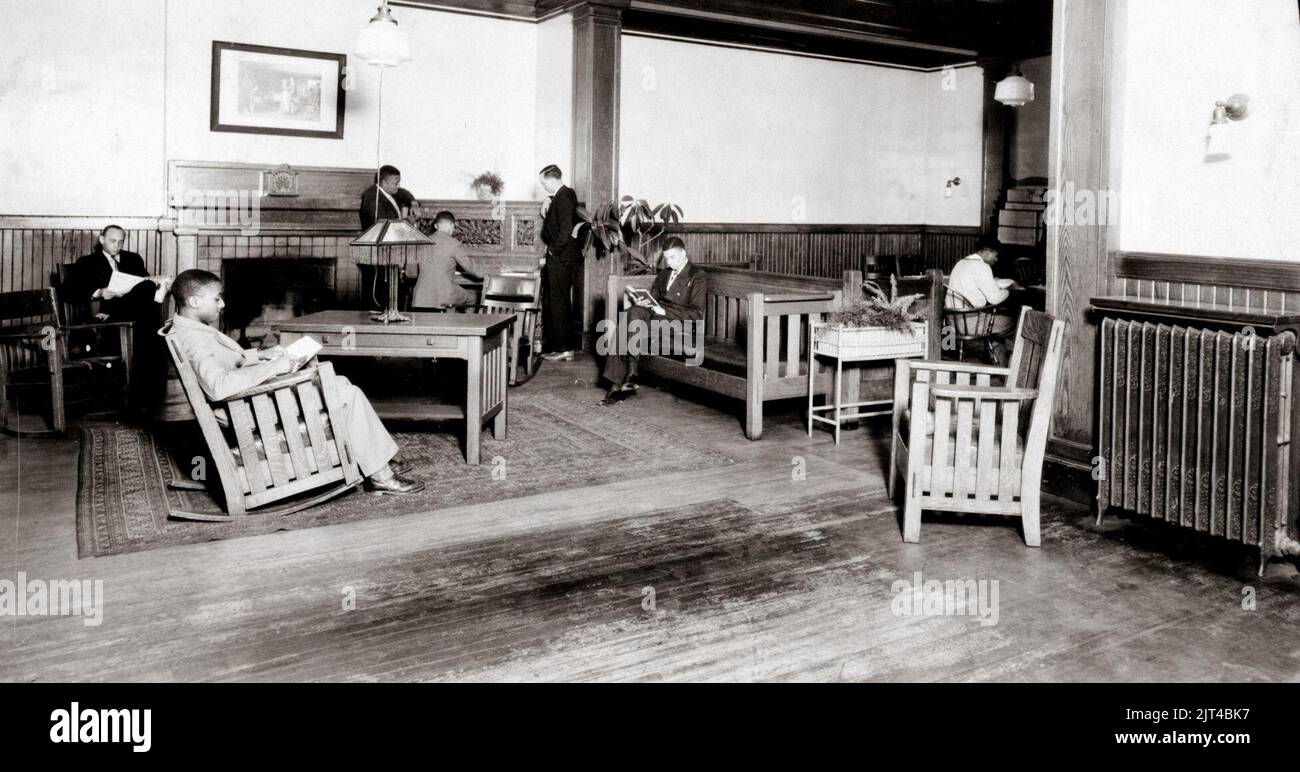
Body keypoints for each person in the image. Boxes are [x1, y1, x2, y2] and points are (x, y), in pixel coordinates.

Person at [162, 269, 424, 495]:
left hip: (246, 401)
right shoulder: (194, 339)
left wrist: (259, 355)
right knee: (347, 393)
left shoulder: (185, 327)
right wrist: (276, 367)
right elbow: (217, 386)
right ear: (195, 301)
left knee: (340, 383)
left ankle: (378, 460)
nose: (222, 305)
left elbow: (224, 361)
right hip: (244, 409)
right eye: (216, 299)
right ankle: (381, 475)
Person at [68, 224, 169, 410]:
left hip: (123, 314)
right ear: (101, 240)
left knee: (146, 289)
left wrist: (158, 284)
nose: (117, 245)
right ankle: (149, 392)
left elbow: (144, 285)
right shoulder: (87, 262)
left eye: (120, 241)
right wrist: (98, 292)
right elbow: (70, 292)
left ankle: (147, 393)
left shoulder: (133, 259)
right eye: (112, 241)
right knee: (151, 327)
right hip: (104, 316)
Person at [599, 237, 706, 405]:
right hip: (655, 319)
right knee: (632, 313)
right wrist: (643, 302)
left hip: (679, 326)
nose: (669, 262)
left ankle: (617, 383)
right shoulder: (664, 274)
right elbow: (653, 299)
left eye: (673, 257)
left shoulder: (697, 276)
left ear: (684, 253)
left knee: (628, 322)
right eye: (666, 258)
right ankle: (630, 373)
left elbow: (697, 314)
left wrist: (664, 311)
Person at [946, 235, 1017, 360]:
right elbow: (994, 299)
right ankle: (1013, 363)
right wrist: (1008, 290)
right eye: (995, 255)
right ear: (988, 252)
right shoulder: (982, 267)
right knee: (1014, 323)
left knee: (996, 326)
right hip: (970, 323)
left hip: (952, 322)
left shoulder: (961, 263)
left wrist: (993, 283)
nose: (996, 259)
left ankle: (1000, 363)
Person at [538, 164, 581, 361]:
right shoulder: (563, 195)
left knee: (559, 303)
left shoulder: (563, 196)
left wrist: (553, 251)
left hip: (561, 258)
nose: (543, 186)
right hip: (562, 257)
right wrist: (549, 200)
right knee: (555, 302)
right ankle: (559, 347)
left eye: (544, 182)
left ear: (553, 179)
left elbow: (566, 229)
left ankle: (565, 349)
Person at [407, 211, 479, 309]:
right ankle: (459, 323)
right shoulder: (454, 244)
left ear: (436, 226)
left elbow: (410, 273)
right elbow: (473, 270)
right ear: (452, 226)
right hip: (445, 297)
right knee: (473, 297)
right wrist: (491, 272)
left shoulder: (420, 242)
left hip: (420, 299)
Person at [359, 164, 416, 231]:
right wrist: (408, 221)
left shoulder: (388, 190)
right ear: (384, 183)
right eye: (396, 183)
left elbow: (404, 192)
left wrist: (414, 203)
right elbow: (384, 228)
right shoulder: (373, 199)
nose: (398, 186)